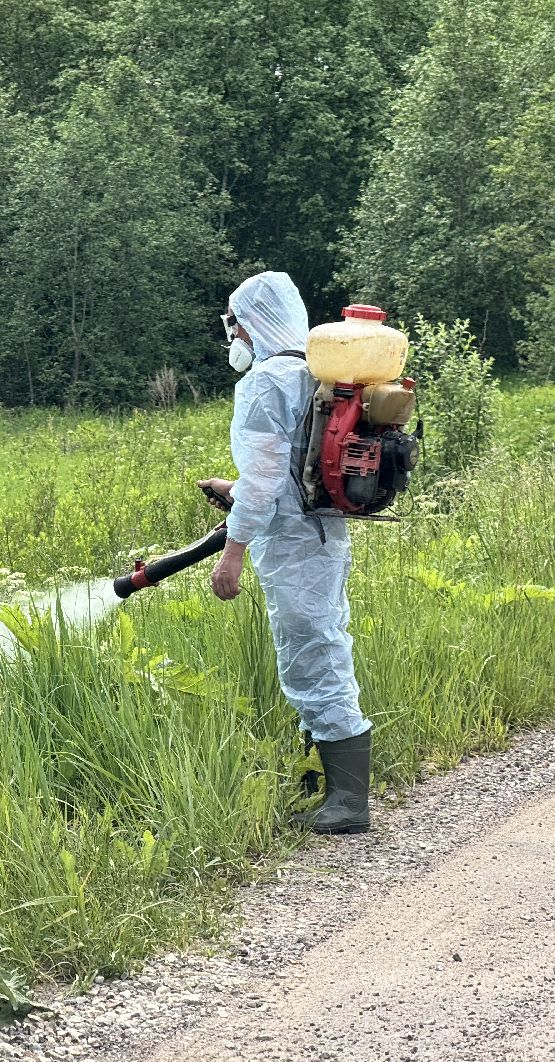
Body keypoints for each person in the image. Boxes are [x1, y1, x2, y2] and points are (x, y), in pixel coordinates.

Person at [198, 271, 372, 835]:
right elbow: (287, 471)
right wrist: (237, 492)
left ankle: (348, 804)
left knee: (313, 655)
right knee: (318, 647)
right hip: (320, 535)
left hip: (295, 546)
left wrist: (234, 552)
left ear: (251, 321)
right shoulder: (312, 373)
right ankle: (322, 785)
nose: (235, 336)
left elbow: (268, 474)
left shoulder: (266, 382)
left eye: (235, 324)